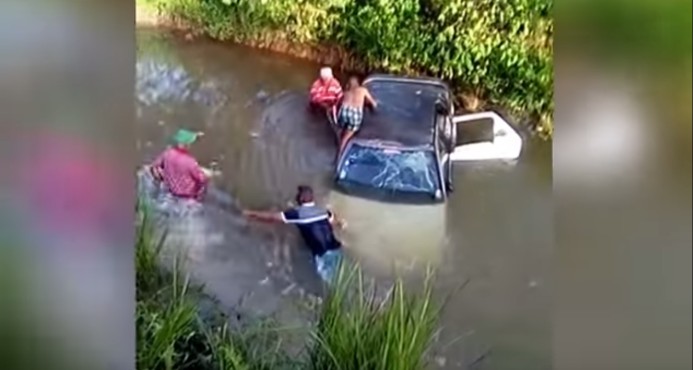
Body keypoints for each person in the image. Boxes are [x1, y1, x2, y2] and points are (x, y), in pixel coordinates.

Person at [242, 185, 346, 283]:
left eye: (298, 195)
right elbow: (334, 222)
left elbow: (271, 217)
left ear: (301, 198)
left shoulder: (297, 213)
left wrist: (250, 214)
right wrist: (340, 224)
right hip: (337, 248)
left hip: (322, 255)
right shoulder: (323, 211)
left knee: (329, 284)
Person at [148, 129, 210, 202]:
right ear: (187, 144)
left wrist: (160, 177)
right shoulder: (190, 161)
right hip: (187, 199)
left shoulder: (167, 154)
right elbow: (202, 180)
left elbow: (154, 167)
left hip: (169, 195)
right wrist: (207, 176)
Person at [337, 75, 377, 156]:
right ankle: (340, 155)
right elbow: (373, 104)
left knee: (341, 128)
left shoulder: (346, 92)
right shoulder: (363, 90)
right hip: (355, 113)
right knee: (346, 137)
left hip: (344, 110)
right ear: (359, 83)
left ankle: (339, 133)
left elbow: (339, 102)